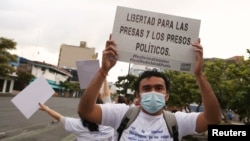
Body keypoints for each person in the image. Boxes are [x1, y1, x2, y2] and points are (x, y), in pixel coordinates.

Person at [78, 37, 222, 141]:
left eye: (159, 88)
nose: (153, 91)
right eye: (146, 88)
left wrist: (199, 75)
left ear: (167, 95)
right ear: (138, 96)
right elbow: (85, 111)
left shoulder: (177, 121)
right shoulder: (121, 114)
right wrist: (103, 70)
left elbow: (213, 119)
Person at [40, 81, 114, 141]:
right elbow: (107, 96)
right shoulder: (110, 120)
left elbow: (60, 118)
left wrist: (47, 109)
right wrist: (104, 76)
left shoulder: (79, 125)